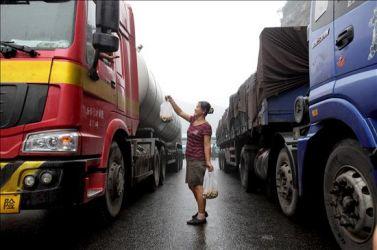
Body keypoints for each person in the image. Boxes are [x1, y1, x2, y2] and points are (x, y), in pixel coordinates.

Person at [166, 96, 214, 225]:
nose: (195, 108)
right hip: (191, 159)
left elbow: (207, 145)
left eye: (197, 107)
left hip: (199, 160)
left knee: (197, 186)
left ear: (203, 111)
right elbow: (180, 112)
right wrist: (171, 101)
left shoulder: (206, 126)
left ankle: (201, 216)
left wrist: (208, 162)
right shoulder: (193, 120)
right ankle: (202, 210)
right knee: (192, 185)